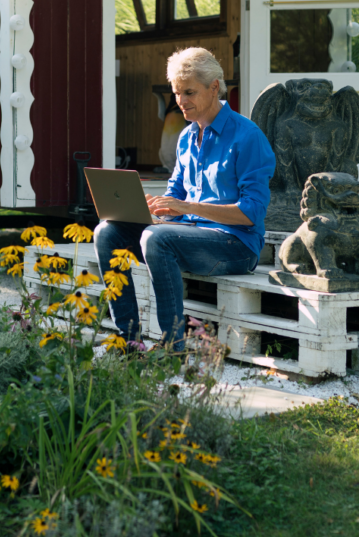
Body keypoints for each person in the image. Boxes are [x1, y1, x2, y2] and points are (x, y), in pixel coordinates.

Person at [93, 47, 276, 354]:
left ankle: (172, 346)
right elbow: (176, 195)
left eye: (189, 92)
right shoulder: (186, 137)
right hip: (189, 236)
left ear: (214, 87)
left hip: (235, 245)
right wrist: (155, 208)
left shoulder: (248, 136)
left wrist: (185, 208)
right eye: (176, 93)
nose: (181, 101)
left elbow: (252, 214)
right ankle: (127, 340)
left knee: (156, 238)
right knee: (107, 231)